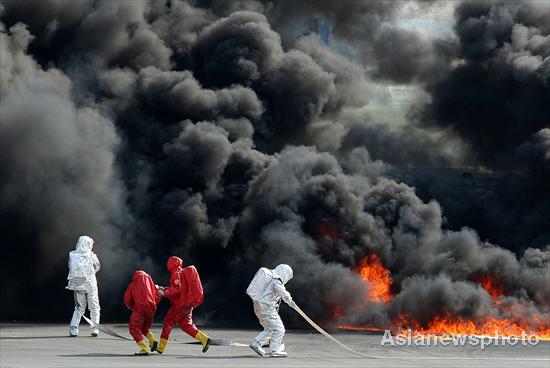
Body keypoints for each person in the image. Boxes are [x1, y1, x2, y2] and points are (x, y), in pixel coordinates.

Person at [156, 256, 210, 354]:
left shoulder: (176, 274)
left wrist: (164, 293)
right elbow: (178, 288)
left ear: (172, 264)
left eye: (169, 262)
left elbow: (178, 290)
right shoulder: (180, 273)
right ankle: (204, 339)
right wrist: (164, 288)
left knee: (168, 322)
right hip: (187, 305)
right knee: (187, 326)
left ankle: (160, 347)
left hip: (179, 305)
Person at [246, 264, 295, 358]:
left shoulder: (271, 278)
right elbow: (283, 293)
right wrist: (290, 301)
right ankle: (274, 350)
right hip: (267, 309)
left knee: (270, 329)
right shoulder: (276, 281)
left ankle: (256, 343)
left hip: (258, 306)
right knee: (280, 329)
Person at [66, 235, 101, 337]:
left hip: (78, 284)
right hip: (90, 284)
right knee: (94, 307)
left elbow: (70, 268)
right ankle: (95, 329)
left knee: (79, 308)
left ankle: (73, 328)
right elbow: (97, 267)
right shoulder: (92, 256)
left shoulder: (72, 255)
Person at [124, 270, 161, 355]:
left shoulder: (133, 285)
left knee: (134, 328)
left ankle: (144, 348)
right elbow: (157, 297)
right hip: (151, 310)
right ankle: (152, 341)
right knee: (144, 328)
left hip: (139, 310)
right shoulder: (151, 285)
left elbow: (127, 300)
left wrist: (133, 307)